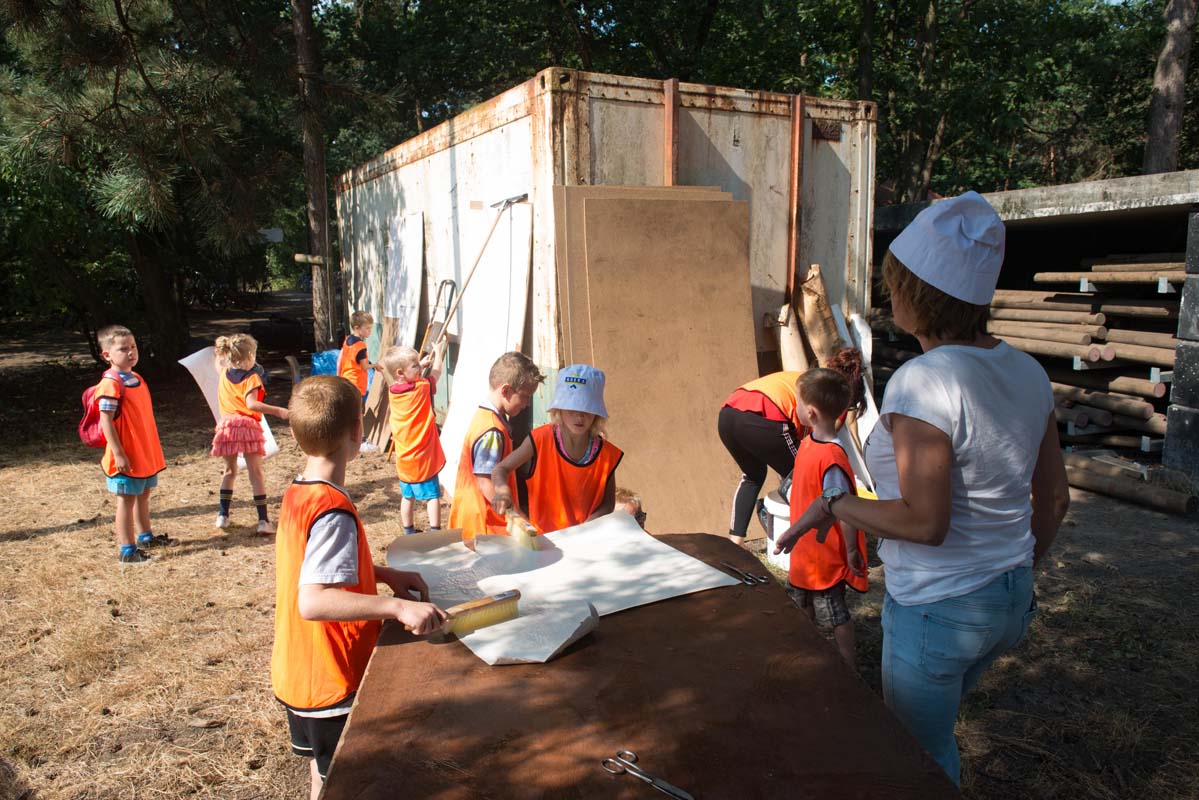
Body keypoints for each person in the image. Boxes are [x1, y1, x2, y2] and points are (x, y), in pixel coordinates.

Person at [775, 191, 1070, 786]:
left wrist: (837, 504)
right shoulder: (1028, 371)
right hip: (1007, 599)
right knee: (938, 727)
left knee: (918, 759)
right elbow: (1056, 499)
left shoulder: (924, 380)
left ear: (918, 293)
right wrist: (1011, 572)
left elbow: (925, 522)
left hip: (940, 607)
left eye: (895, 284)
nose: (890, 297)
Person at [271, 375, 445, 800]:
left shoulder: (300, 491)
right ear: (357, 430)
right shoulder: (332, 510)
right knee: (348, 782)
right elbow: (313, 600)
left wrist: (382, 573)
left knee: (324, 774)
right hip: (332, 678)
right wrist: (397, 608)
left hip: (299, 668)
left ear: (296, 435)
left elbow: (313, 567)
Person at [775, 366, 868, 670]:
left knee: (835, 613)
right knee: (801, 605)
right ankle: (808, 655)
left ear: (811, 412)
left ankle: (848, 665)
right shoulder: (807, 442)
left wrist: (851, 550)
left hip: (825, 556)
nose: (796, 407)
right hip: (804, 550)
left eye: (799, 402)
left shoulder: (832, 458)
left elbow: (845, 509)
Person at [491, 364, 622, 533]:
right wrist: (502, 492)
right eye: (572, 408)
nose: (580, 416)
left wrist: (587, 527)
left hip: (587, 539)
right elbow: (500, 469)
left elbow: (608, 503)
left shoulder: (607, 454)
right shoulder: (540, 439)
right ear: (559, 409)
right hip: (546, 540)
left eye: (587, 409)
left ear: (597, 413)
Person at [448, 352, 545, 541]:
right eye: (525, 397)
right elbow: (485, 480)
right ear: (506, 391)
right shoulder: (492, 431)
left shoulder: (484, 416)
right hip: (483, 525)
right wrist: (513, 514)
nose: (527, 404)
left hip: (474, 518)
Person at [94, 325, 168, 564]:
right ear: (107, 355)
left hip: (144, 453)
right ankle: (127, 551)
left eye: (133, 347)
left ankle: (146, 536)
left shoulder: (136, 378)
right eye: (123, 349)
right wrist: (119, 454)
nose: (130, 352)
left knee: (143, 494)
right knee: (126, 500)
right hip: (126, 455)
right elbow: (106, 421)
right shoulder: (111, 384)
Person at [211, 334, 289, 534]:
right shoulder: (252, 378)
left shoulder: (223, 372)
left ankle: (223, 516)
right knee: (256, 473)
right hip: (247, 426)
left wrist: (220, 350)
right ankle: (263, 521)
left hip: (227, 427)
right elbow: (251, 404)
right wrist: (279, 411)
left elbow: (217, 362)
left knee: (229, 471)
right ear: (249, 356)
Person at [718, 370, 806, 545]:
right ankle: (778, 522)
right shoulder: (827, 392)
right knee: (805, 474)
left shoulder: (798, 377)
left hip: (727, 415)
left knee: (753, 476)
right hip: (763, 414)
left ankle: (735, 544)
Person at [380, 341, 447, 535]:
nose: (419, 367)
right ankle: (435, 532)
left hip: (404, 458)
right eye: (415, 365)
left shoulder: (393, 390)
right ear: (400, 373)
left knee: (407, 496)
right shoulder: (422, 387)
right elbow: (437, 373)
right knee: (433, 496)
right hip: (422, 458)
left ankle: (408, 531)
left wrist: (419, 365)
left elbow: (407, 380)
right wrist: (438, 354)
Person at [338, 311, 374, 401]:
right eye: (367, 328)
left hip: (346, 380)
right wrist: (376, 365)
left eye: (371, 328)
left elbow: (339, 360)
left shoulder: (347, 340)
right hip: (357, 384)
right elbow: (365, 367)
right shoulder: (361, 346)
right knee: (358, 407)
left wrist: (338, 377)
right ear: (357, 328)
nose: (370, 331)